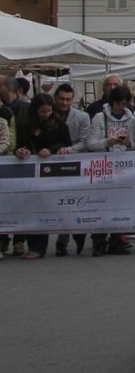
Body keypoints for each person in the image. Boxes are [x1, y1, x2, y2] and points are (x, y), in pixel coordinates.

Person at [13, 93, 73, 258]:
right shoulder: (26, 126)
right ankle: (31, 244)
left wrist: (52, 150)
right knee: (31, 208)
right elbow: (19, 145)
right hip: (30, 173)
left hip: (52, 173)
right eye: (43, 111)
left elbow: (67, 144)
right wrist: (21, 151)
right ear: (35, 111)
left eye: (49, 111)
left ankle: (38, 247)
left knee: (43, 208)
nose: (46, 114)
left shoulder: (59, 125)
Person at [83, 85, 135, 256]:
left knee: (120, 205)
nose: (121, 107)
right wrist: (108, 141)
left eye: (124, 104)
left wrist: (128, 143)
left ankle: (117, 239)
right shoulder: (100, 117)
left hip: (122, 166)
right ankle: (99, 240)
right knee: (101, 204)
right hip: (103, 166)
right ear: (112, 102)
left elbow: (134, 144)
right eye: (118, 104)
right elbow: (91, 143)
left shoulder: (131, 119)